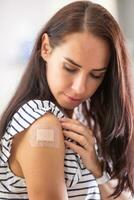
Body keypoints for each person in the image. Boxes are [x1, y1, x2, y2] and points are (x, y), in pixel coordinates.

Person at [0, 1, 134, 199]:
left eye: (96, 75)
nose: (80, 88)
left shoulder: (85, 121)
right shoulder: (41, 124)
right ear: (46, 48)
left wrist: (98, 171)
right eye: (70, 68)